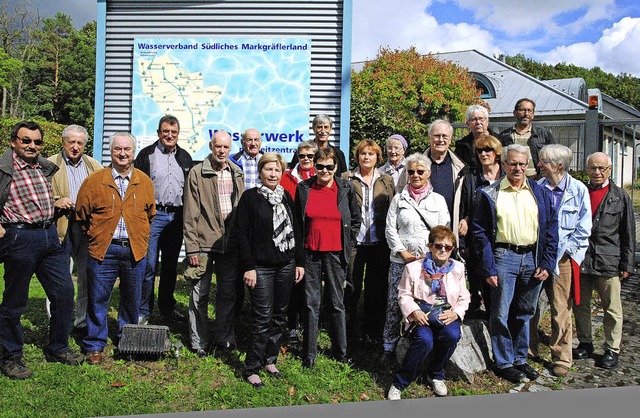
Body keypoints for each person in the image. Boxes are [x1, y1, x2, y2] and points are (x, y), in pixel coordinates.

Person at [0, 121, 84, 379]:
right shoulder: (4, 168)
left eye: (37, 142)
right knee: (15, 302)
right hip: (20, 238)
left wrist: (55, 202)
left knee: (64, 293)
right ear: (14, 141)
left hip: (49, 236)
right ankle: (10, 356)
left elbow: (38, 196)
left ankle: (58, 347)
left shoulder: (41, 167)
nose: (32, 146)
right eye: (26, 141)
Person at [471, 143, 558, 383]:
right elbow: (479, 233)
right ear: (504, 164)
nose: (517, 168)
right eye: (513, 163)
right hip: (503, 258)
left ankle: (520, 358)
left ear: (528, 165)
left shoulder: (539, 193)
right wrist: (488, 266)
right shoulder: (491, 192)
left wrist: (547, 263)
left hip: (532, 259)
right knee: (500, 313)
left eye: (522, 163)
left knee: (525, 312)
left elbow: (551, 229)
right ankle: (504, 362)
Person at [75, 132, 156, 365]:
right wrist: (95, 237)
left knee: (132, 299)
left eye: (127, 150)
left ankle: (127, 341)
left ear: (133, 152)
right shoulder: (95, 181)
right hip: (104, 249)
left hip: (134, 250)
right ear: (111, 152)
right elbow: (82, 215)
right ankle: (94, 345)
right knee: (98, 299)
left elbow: (150, 214)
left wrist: (139, 236)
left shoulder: (144, 181)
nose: (122, 154)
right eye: (118, 149)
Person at [236, 152, 305, 389]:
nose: (273, 174)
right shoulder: (250, 198)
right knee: (262, 318)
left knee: (280, 316)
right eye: (268, 170)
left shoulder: (285, 196)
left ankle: (270, 359)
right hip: (260, 268)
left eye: (277, 170)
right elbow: (242, 235)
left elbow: (296, 230)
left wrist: (299, 262)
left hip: (285, 265)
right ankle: (252, 367)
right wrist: (248, 267)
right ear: (260, 172)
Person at [380, 153, 450, 365]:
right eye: (411, 171)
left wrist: (428, 255)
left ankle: (421, 344)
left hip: (429, 264)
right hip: (401, 261)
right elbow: (390, 228)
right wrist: (403, 252)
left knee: (425, 303)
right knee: (394, 303)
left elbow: (443, 231)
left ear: (428, 173)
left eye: (420, 171)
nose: (416, 175)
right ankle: (388, 346)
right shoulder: (399, 199)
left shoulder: (438, 200)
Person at [294, 146, 360, 368]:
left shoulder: (346, 188)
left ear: (336, 167)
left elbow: (355, 220)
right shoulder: (304, 188)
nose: (324, 171)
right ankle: (309, 354)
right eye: (319, 166)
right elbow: (297, 222)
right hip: (311, 252)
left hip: (335, 253)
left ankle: (340, 351)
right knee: (311, 303)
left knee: (336, 302)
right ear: (314, 166)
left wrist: (347, 245)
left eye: (329, 167)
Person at [529, 144, 591, 377]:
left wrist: (567, 252)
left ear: (559, 166)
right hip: (536, 256)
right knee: (531, 305)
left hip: (563, 258)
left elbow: (584, 228)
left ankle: (562, 357)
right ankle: (530, 348)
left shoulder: (578, 190)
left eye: (544, 161)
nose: (540, 165)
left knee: (560, 308)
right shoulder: (536, 188)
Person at [387, 226, 470, 400]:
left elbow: (464, 296)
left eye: (447, 247)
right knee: (425, 340)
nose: (443, 250)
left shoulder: (458, 269)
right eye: (439, 246)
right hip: (422, 316)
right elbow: (404, 294)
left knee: (452, 335)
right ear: (430, 246)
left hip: (446, 314)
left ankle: (436, 374)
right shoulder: (413, 268)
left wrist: (456, 313)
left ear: (452, 250)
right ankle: (400, 382)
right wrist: (414, 311)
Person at [183, 130, 245, 356]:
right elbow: (190, 214)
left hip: (230, 245)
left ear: (230, 148)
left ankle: (224, 337)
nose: (222, 151)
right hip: (204, 244)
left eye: (226, 147)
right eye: (218, 146)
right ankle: (199, 341)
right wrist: (192, 247)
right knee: (200, 293)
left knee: (228, 294)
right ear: (211, 146)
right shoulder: (197, 173)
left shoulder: (236, 172)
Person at [573, 152, 635, 370]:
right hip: (582, 258)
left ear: (609, 170)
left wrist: (627, 264)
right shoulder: (579, 191)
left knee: (612, 308)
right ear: (586, 169)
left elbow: (628, 232)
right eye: (592, 168)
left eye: (602, 168)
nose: (597, 172)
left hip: (608, 260)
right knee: (580, 304)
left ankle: (612, 348)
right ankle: (585, 342)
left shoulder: (620, 196)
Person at [135, 115, 193, 325]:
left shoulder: (185, 157)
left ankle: (167, 309)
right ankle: (144, 310)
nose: (169, 136)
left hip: (176, 217)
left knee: (170, 266)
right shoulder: (146, 155)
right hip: (153, 216)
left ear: (178, 134)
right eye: (165, 131)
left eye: (174, 132)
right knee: (149, 265)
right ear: (159, 133)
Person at [47, 124, 104, 337]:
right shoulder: (49, 164)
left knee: (86, 276)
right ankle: (56, 321)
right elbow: (39, 195)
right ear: (63, 142)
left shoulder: (93, 165)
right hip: (60, 225)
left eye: (80, 143)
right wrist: (56, 201)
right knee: (59, 276)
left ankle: (80, 322)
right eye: (71, 142)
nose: (75, 146)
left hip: (85, 228)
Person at [342, 139, 395, 343]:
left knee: (376, 289)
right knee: (352, 288)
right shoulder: (347, 179)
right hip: (355, 243)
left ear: (377, 158)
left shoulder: (386, 180)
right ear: (357, 157)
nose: (367, 157)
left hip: (379, 244)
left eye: (371, 154)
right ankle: (348, 334)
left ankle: (372, 332)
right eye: (363, 153)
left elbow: (392, 209)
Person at [460, 135, 505, 318]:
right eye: (480, 151)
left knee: (499, 289)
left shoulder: (506, 176)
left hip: (501, 240)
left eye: (488, 150)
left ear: (497, 153)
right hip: (477, 240)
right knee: (479, 283)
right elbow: (464, 209)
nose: (484, 154)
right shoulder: (471, 179)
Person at [279, 140, 317, 342]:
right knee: (293, 282)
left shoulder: (321, 177)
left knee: (309, 284)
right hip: (290, 236)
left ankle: (308, 323)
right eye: (302, 156)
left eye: (310, 156)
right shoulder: (287, 177)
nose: (306, 160)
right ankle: (292, 324)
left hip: (312, 236)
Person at [423, 119, 468, 243]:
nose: (441, 140)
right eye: (437, 136)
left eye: (445, 136)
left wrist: (466, 218)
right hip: (422, 231)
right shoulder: (416, 165)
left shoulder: (460, 167)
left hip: (450, 230)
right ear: (429, 137)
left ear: (450, 139)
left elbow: (467, 199)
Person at [500, 98, 555, 178]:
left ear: (533, 114)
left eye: (529, 110)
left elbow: (553, 158)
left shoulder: (544, 134)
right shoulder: (504, 135)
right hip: (513, 180)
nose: (526, 114)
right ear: (514, 113)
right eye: (522, 110)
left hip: (537, 181)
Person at [454, 104, 511, 173]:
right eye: (473, 119)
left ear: (487, 121)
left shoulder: (502, 141)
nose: (478, 122)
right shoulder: (462, 145)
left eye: (481, 119)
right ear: (468, 123)